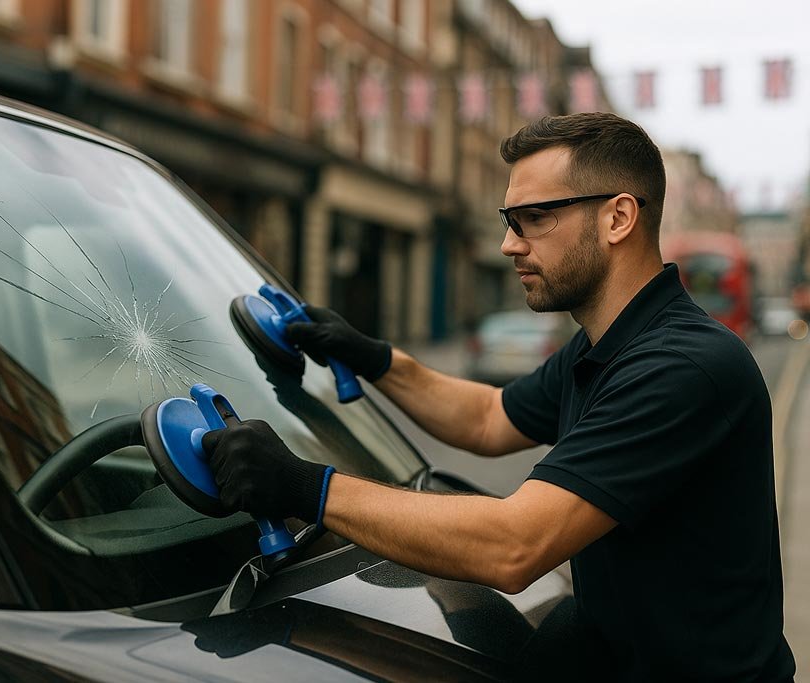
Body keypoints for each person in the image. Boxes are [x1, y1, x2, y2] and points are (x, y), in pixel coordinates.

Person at [202, 113, 795, 680]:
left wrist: (304, 486)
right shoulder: (604, 344)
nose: (510, 244)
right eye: (509, 218)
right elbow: (488, 418)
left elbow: (513, 545)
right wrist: (372, 356)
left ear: (618, 218)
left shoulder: (681, 367)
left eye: (534, 217)